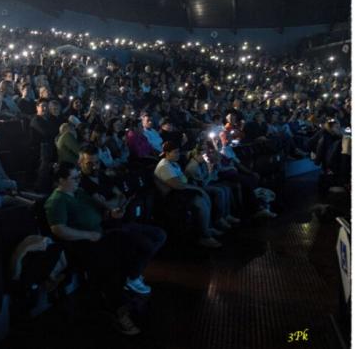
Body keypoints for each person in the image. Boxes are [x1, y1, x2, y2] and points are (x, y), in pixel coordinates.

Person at [44, 162, 141, 336]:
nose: (78, 181)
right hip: (81, 243)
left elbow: (99, 209)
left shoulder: (79, 192)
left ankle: (121, 287)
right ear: (60, 180)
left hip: (98, 234)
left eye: (78, 177)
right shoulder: (56, 201)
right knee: (109, 263)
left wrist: (111, 213)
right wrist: (88, 235)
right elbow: (59, 229)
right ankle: (117, 310)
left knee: (130, 244)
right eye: (74, 178)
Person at [76, 145, 167, 295]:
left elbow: (121, 196)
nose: (94, 166)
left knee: (160, 234)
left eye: (97, 162)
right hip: (105, 227)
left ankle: (133, 272)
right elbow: (106, 204)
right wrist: (113, 202)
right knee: (148, 245)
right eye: (89, 163)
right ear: (80, 163)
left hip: (119, 220)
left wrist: (112, 203)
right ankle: (132, 277)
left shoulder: (102, 176)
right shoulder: (83, 184)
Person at [154, 142, 223, 248]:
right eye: (175, 152)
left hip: (181, 192)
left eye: (178, 152)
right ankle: (204, 236)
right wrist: (197, 189)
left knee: (206, 196)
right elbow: (178, 185)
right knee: (201, 203)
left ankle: (208, 228)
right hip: (172, 197)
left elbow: (183, 180)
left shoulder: (174, 164)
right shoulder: (164, 166)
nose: (178, 154)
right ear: (167, 153)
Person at [30, 98, 60, 193]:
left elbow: (58, 129)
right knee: (46, 149)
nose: (45, 108)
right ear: (37, 107)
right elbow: (46, 133)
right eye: (42, 106)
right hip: (39, 147)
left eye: (46, 106)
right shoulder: (36, 120)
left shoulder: (50, 118)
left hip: (51, 144)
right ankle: (40, 186)